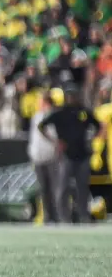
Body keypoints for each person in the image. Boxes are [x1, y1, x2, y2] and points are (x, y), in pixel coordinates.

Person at [38, 86, 101, 223]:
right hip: (66, 156)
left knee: (82, 188)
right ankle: (64, 218)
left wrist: (91, 139)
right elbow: (42, 126)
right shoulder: (60, 113)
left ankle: (84, 216)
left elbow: (98, 125)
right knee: (63, 188)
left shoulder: (83, 112)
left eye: (74, 95)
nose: (72, 98)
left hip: (83, 154)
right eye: (70, 95)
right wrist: (55, 141)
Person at [28, 92, 63, 223]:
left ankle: (58, 216)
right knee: (43, 190)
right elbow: (34, 138)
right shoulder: (36, 117)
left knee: (55, 189)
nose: (39, 104)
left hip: (51, 157)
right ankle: (48, 217)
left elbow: (55, 137)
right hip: (38, 157)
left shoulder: (53, 118)